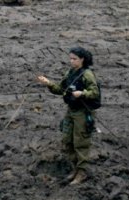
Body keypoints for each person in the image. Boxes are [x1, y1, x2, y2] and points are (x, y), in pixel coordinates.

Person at [36, 47, 100, 185]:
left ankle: (82, 172)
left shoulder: (87, 74)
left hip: (83, 112)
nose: (71, 61)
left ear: (82, 59)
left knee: (80, 142)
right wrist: (48, 83)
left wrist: (82, 93)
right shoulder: (70, 73)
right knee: (67, 140)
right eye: (70, 58)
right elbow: (61, 89)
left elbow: (95, 92)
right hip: (71, 110)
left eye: (74, 59)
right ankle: (75, 169)